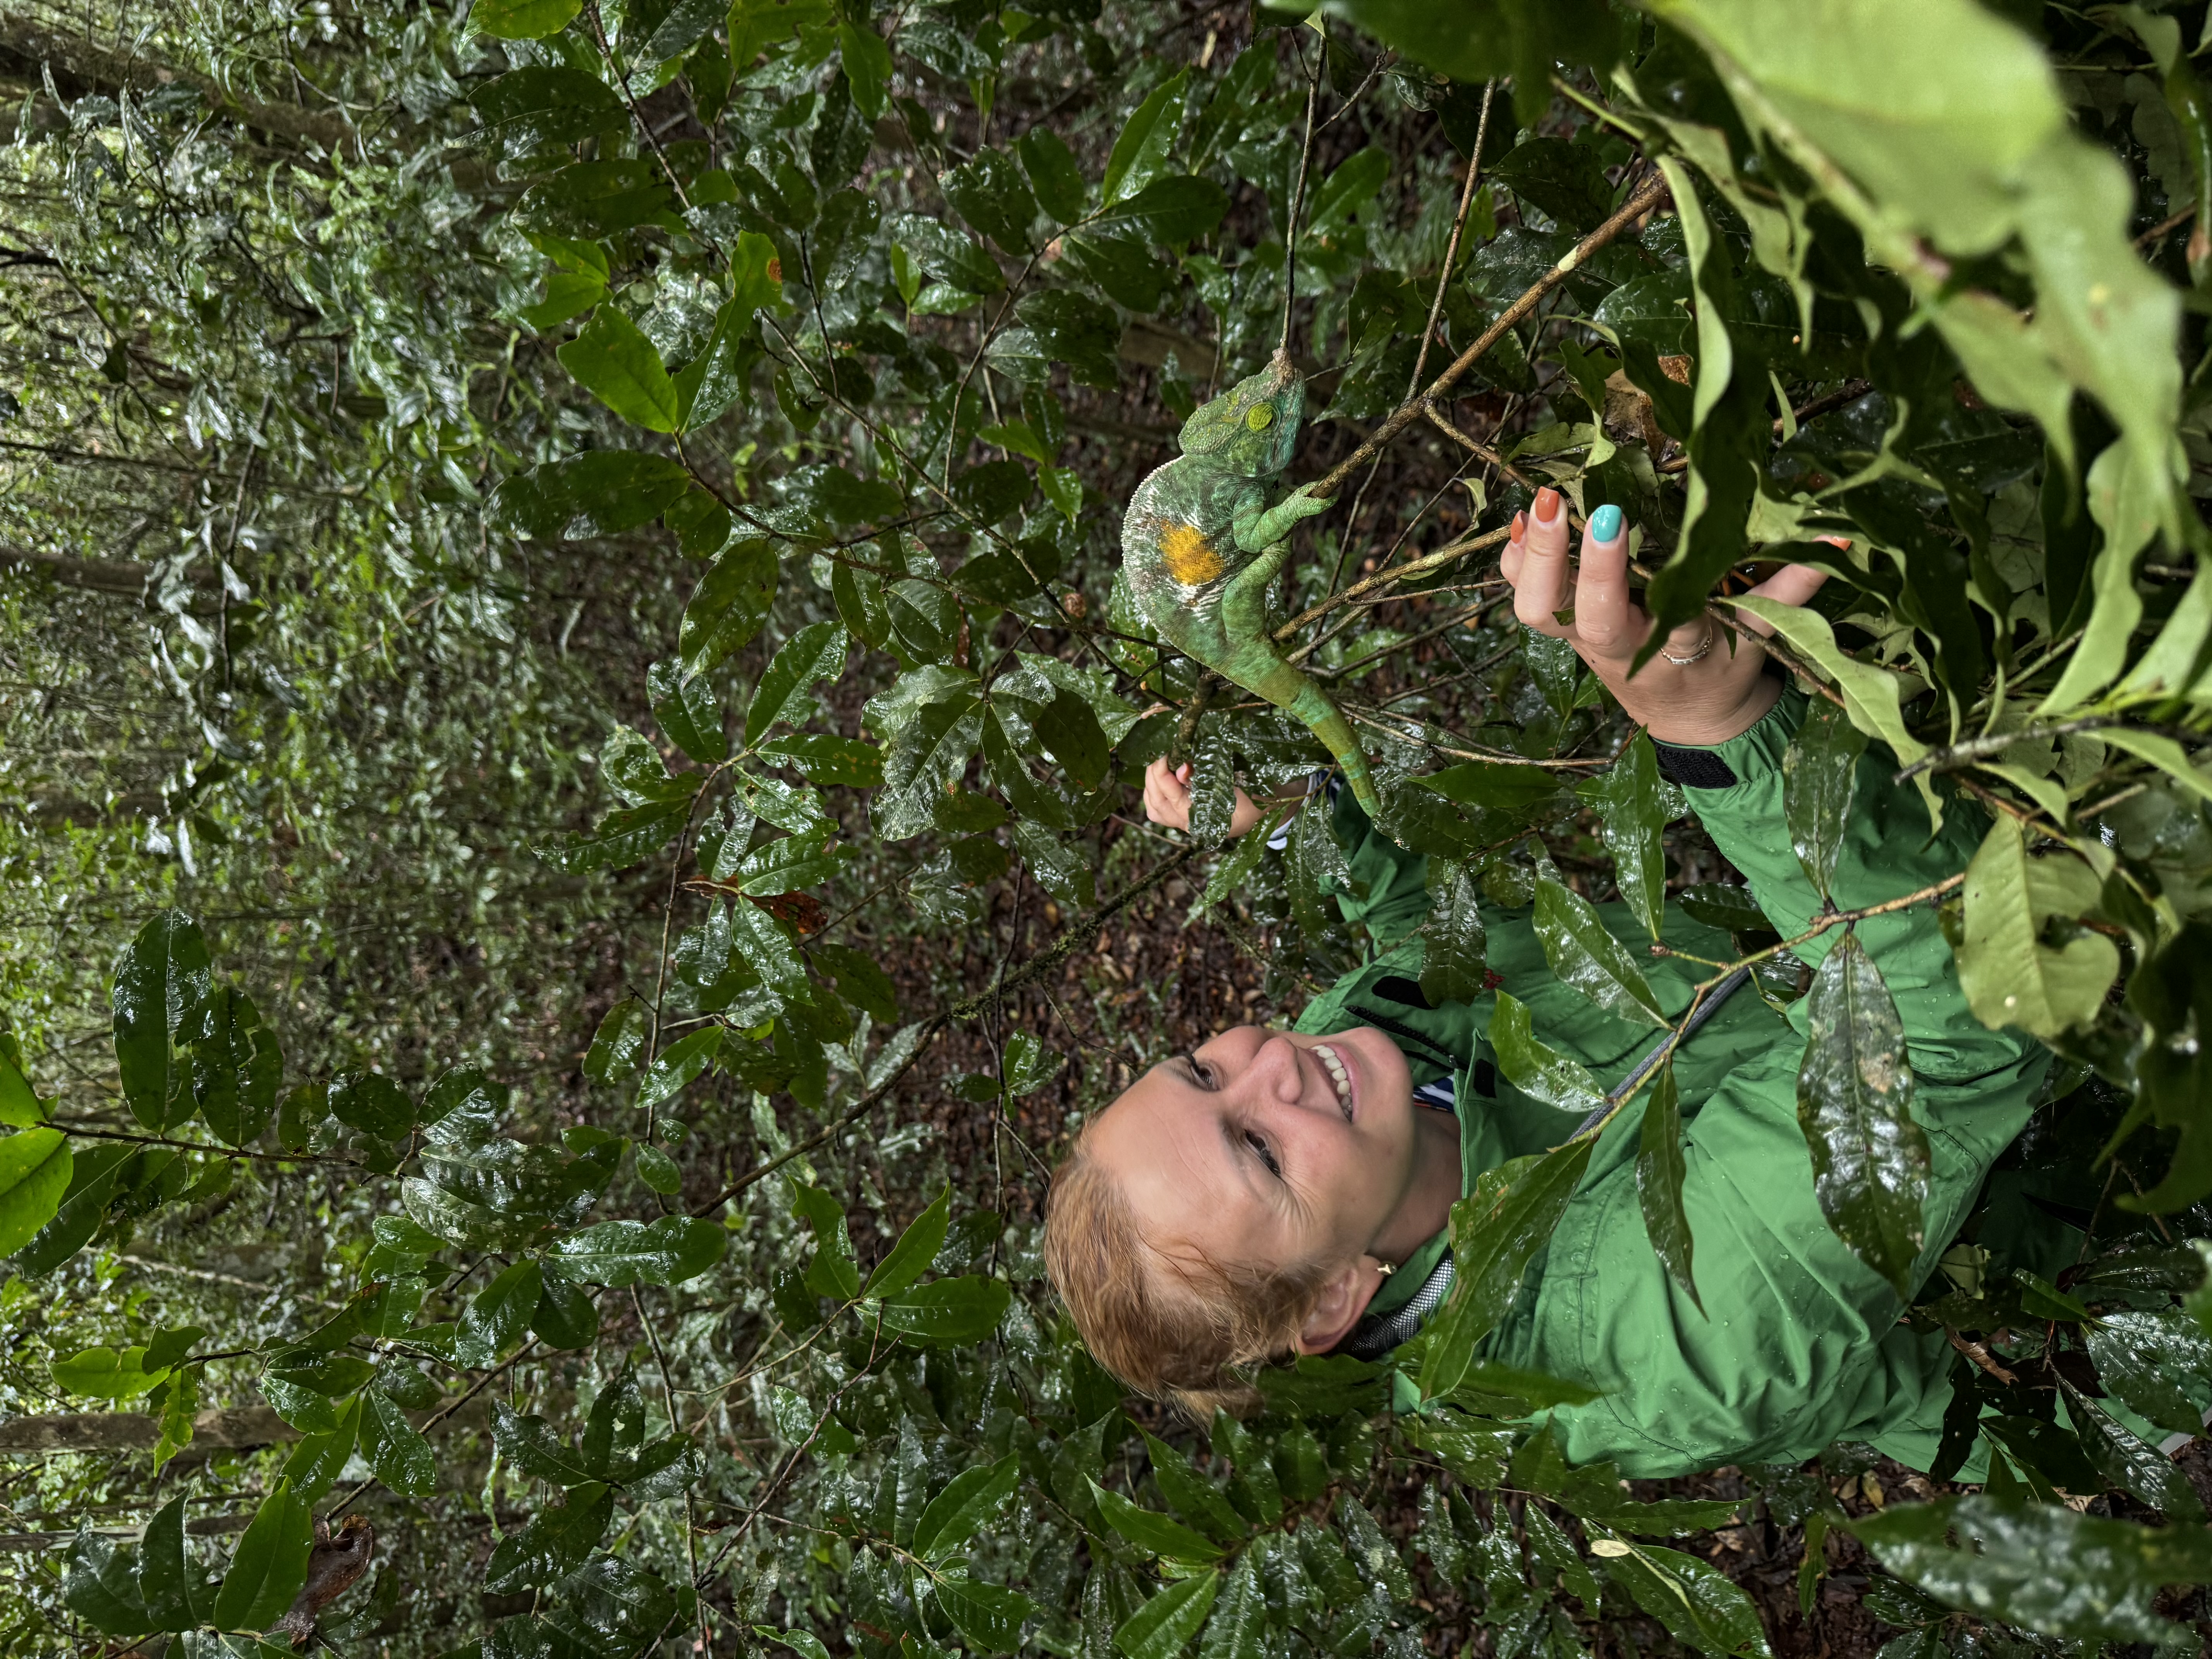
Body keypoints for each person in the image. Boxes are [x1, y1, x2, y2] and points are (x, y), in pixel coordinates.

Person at [1042, 488, 2052, 1478]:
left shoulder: (1362, 1073)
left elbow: (1416, 945)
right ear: (1330, 1303)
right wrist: (1722, 729)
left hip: (1917, 922)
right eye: (1258, 1150)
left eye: (1202, 1069)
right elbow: (1947, 1033)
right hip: (2066, 1243)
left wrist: (1292, 835)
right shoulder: (1653, 1339)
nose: (1273, 1064)